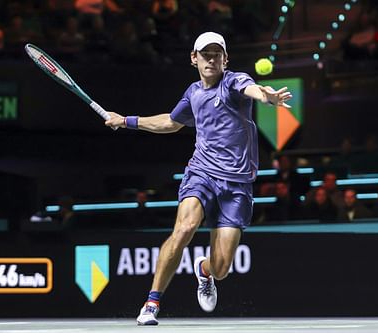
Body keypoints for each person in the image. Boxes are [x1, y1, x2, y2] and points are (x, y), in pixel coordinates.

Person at [104, 31, 292, 325]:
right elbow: (170, 122)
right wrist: (126, 121)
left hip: (237, 185)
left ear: (225, 59)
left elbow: (253, 89)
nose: (211, 59)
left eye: (217, 54)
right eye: (205, 54)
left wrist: (266, 96)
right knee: (184, 229)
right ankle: (151, 303)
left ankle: (204, 271)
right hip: (201, 173)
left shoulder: (233, 82)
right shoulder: (192, 94)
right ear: (194, 58)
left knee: (222, 269)